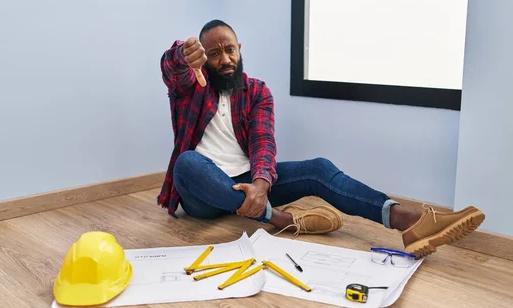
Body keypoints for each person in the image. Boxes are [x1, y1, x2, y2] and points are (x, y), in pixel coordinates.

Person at [156, 19, 485, 258]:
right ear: (203, 60)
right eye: (213, 54)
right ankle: (278, 219)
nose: (224, 59)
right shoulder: (190, 89)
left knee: (318, 167)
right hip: (204, 195)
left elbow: (263, 143)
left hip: (245, 183)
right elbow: (172, 70)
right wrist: (181, 56)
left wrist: (260, 184)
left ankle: (406, 220)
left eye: (229, 50)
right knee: (188, 162)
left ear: (239, 50)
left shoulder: (256, 91)